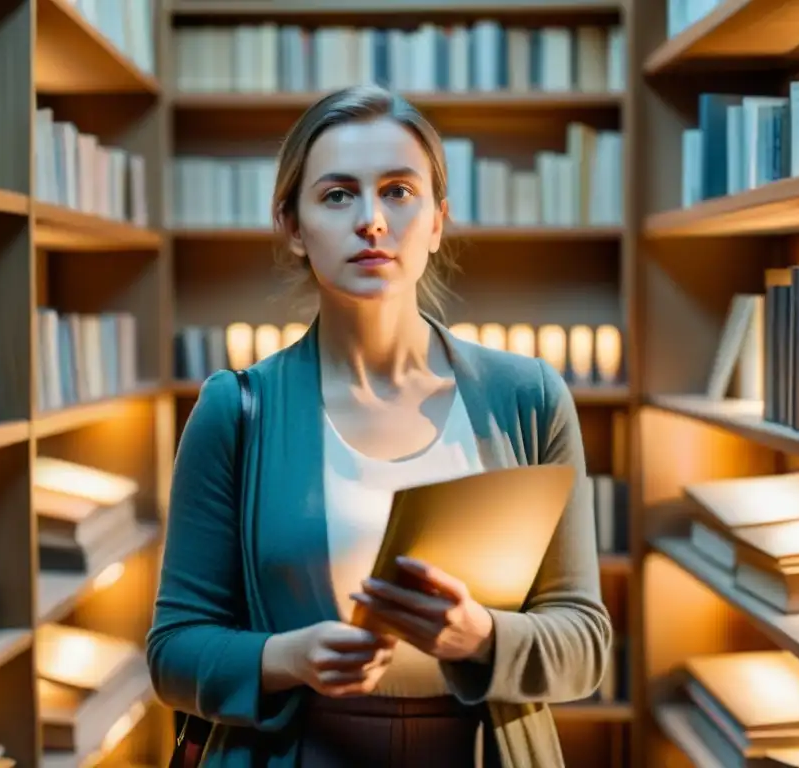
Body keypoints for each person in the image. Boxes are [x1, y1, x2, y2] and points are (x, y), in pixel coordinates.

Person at [147, 84, 613, 768]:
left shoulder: (530, 398)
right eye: (338, 195)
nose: (371, 220)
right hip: (300, 750)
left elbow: (586, 645)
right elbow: (173, 653)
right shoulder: (236, 409)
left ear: (437, 221)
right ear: (294, 227)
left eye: (399, 191)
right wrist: (286, 657)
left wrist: (480, 635)